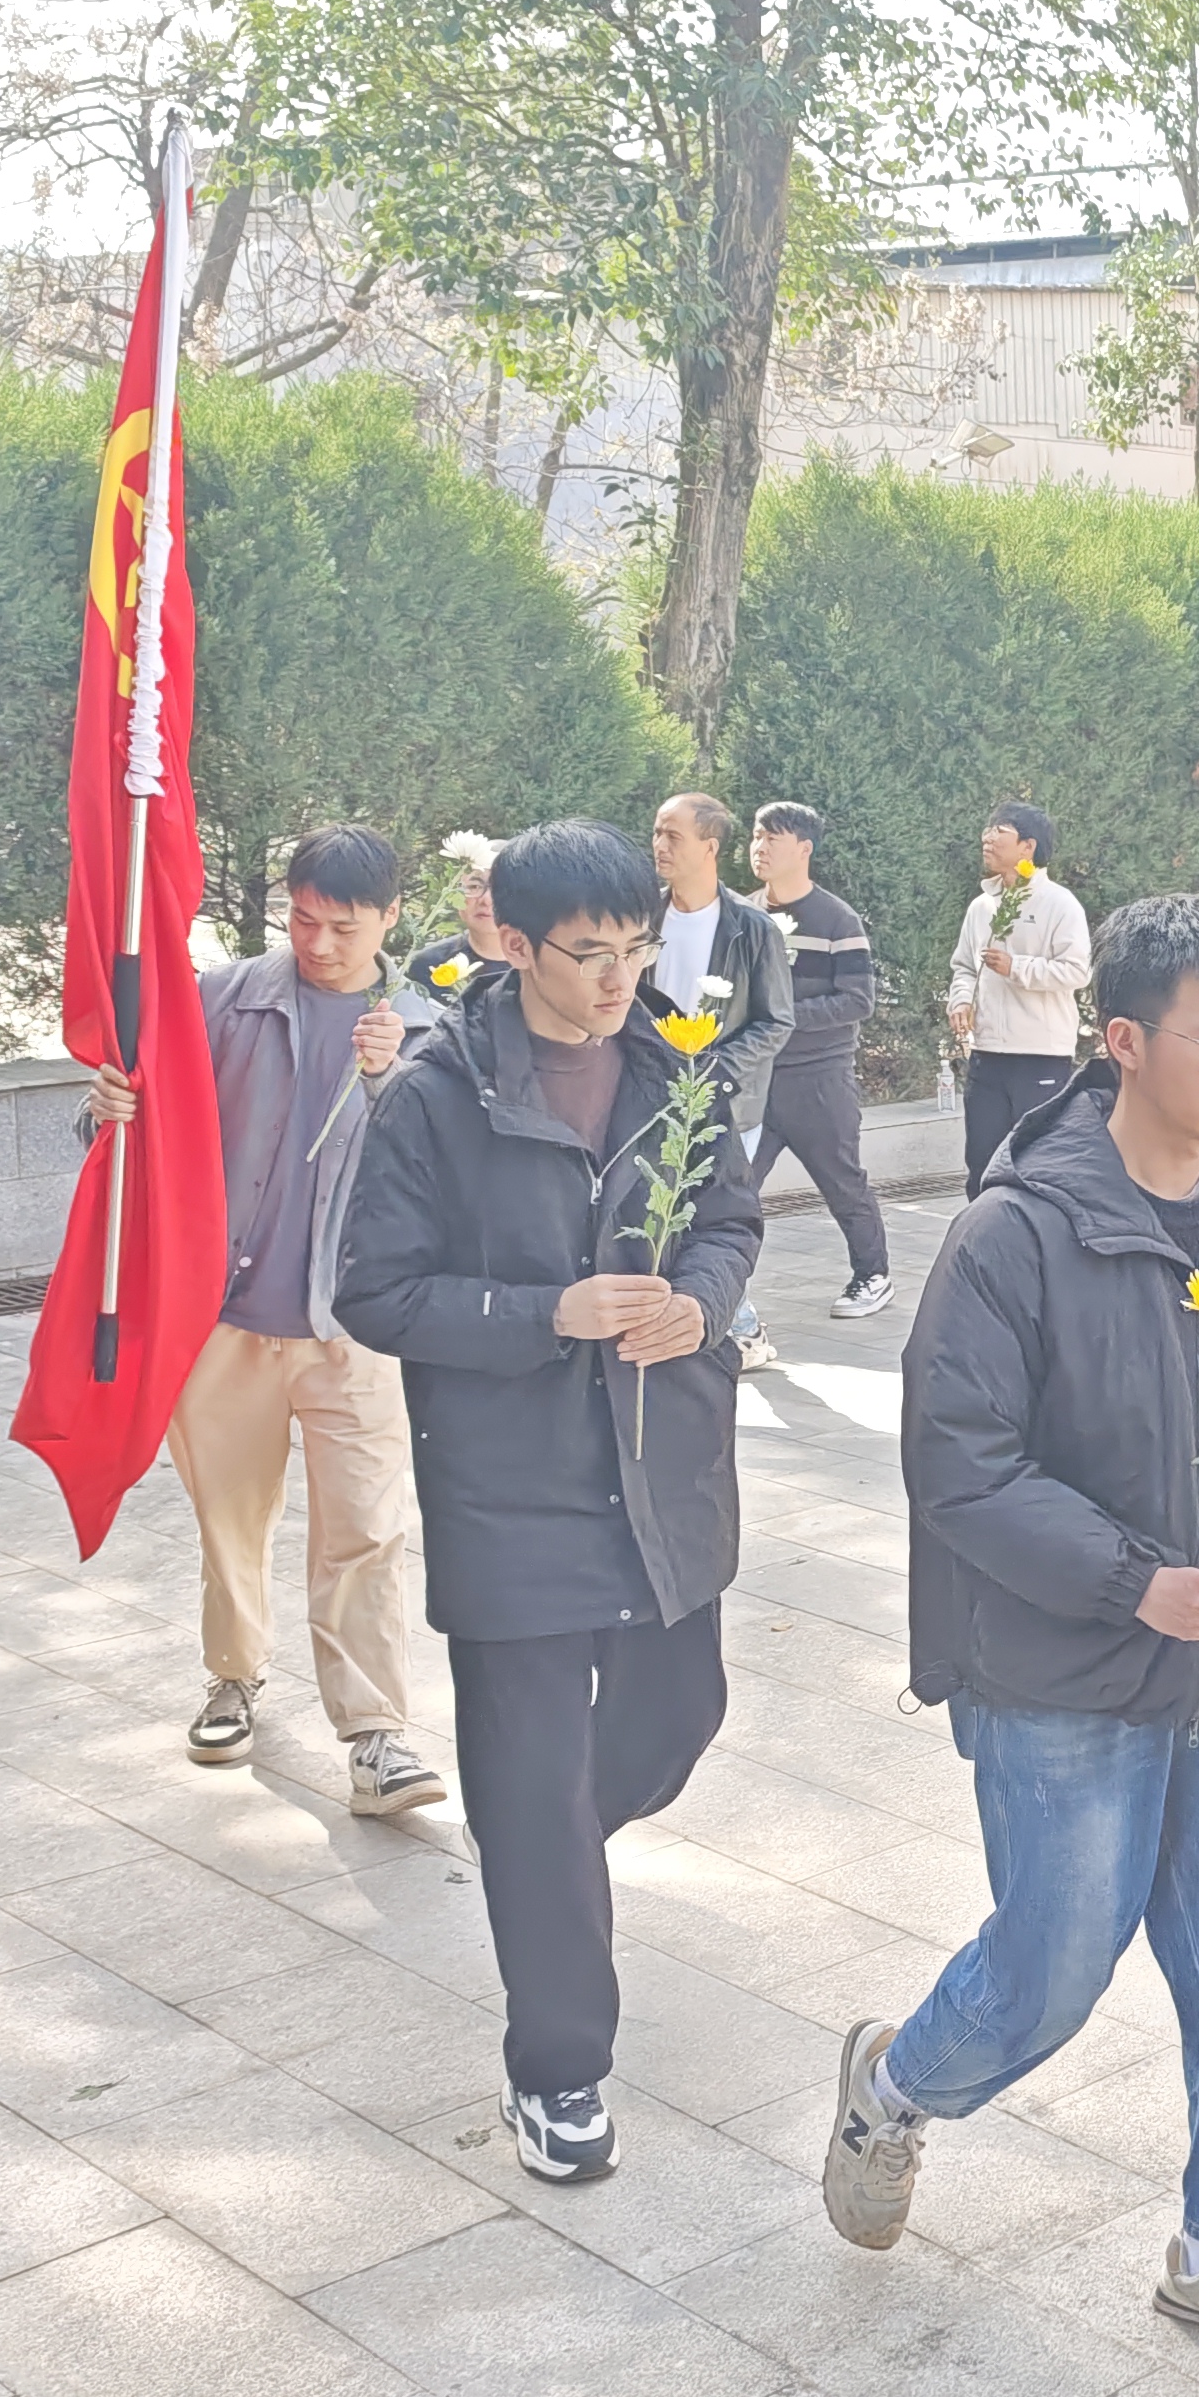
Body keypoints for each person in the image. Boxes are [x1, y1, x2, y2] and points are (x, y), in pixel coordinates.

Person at [821, 894, 1199, 2378]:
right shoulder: (1015, 1233)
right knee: (1053, 1971)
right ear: (1122, 1042)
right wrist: (1135, 1582)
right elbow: (959, 1461)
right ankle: (896, 2084)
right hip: (1059, 1673)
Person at [333, 818, 765, 2188]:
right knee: (531, 1786)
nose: (619, 978)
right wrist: (545, 1314)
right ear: (513, 945)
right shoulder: (437, 1095)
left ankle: (544, 1848)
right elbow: (375, 1293)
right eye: (589, 954)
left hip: (660, 1472)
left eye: (637, 948)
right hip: (508, 1489)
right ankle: (559, 2069)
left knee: (674, 1721)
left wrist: (700, 1305)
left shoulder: (678, 1069)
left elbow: (731, 1222)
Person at [87, 823, 443, 1814]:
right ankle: (234, 1678)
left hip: (354, 1330)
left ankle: (375, 1735)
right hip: (224, 1323)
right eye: (302, 918)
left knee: (365, 1530)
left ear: (391, 919)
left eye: (344, 926)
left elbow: (449, 1175)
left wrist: (390, 1078)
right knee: (229, 1518)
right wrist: (106, 1105)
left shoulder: (426, 1031)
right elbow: (127, 1134)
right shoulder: (222, 999)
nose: (318, 943)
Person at [654, 793, 795, 1368]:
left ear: (710, 847)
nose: (660, 846)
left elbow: (776, 1020)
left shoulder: (751, 929)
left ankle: (736, 1324)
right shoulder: (640, 918)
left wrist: (714, 1069)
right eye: (657, 833)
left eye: (673, 836)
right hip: (651, 1095)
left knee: (713, 1216)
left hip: (726, 1105)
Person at [744, 800, 893, 1318]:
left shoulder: (837, 919)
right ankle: (725, 1290)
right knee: (732, 1188)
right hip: (755, 1079)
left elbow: (857, 1000)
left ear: (804, 849)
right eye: (756, 837)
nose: (759, 848)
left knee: (842, 1183)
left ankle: (873, 1275)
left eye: (773, 839)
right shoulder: (744, 914)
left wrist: (782, 1017)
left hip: (818, 1079)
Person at [950, 801, 1093, 1183]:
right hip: (986, 1054)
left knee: (1037, 1162)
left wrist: (1017, 968)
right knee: (982, 1162)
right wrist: (961, 999)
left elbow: (1077, 971)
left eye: (1000, 830)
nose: (987, 837)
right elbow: (965, 966)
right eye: (988, 829)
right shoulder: (982, 906)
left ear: (1028, 846)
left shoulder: (1059, 903)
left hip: (1040, 1056)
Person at [404, 832, 520, 999]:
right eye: (474, 886)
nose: (486, 900)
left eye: (500, 888)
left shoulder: (544, 964)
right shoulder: (425, 966)